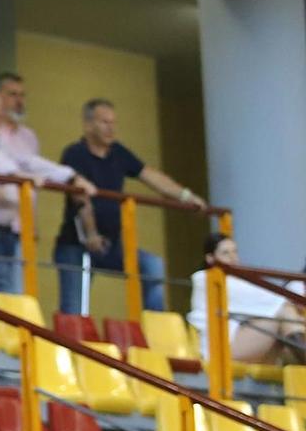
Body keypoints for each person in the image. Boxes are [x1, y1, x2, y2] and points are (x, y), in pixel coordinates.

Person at [55, 99, 199, 316]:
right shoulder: (75, 153)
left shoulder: (118, 152)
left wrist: (186, 196)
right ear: (88, 125)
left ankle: (155, 329)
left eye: (113, 122)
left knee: (152, 266)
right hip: (77, 244)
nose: (111, 127)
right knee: (74, 308)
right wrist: (91, 233)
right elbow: (81, 198)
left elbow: (149, 175)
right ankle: (71, 346)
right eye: (104, 122)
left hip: (112, 244)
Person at [0, 84, 79, 300]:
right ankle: (9, 334)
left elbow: (25, 160)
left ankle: (9, 333)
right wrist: (25, 177)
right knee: (5, 294)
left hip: (5, 227)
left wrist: (68, 175)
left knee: (9, 294)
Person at [189, 232, 304, 364]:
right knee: (285, 313)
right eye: (225, 253)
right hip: (219, 347)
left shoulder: (237, 280)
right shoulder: (204, 278)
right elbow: (266, 297)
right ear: (210, 258)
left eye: (234, 252)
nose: (233, 258)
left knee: (290, 325)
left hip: (242, 338)